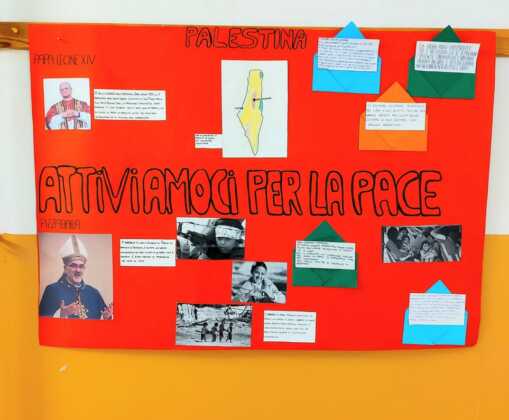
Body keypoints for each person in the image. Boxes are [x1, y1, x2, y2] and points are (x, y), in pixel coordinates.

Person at [39, 235, 113, 320]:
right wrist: (61, 314)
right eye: (73, 266)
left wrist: (106, 318)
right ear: (65, 268)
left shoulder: (94, 293)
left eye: (81, 266)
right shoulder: (52, 290)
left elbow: (102, 321)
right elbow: (42, 321)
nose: (78, 270)